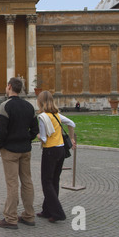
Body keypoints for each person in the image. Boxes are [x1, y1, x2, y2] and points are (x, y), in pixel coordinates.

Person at [0, 77, 39, 230]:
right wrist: (27, 138)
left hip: (10, 150)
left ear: (9, 87)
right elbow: (35, 130)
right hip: (25, 149)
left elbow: (1, 131)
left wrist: (0, 145)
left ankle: (11, 218)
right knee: (27, 182)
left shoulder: (5, 106)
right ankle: (29, 215)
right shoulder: (29, 106)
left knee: (12, 183)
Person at [36, 91, 76, 223]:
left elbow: (43, 138)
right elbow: (72, 123)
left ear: (40, 102)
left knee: (46, 182)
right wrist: (71, 137)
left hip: (50, 151)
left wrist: (36, 136)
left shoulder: (42, 117)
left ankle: (57, 212)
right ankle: (47, 210)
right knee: (54, 180)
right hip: (60, 150)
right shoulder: (57, 115)